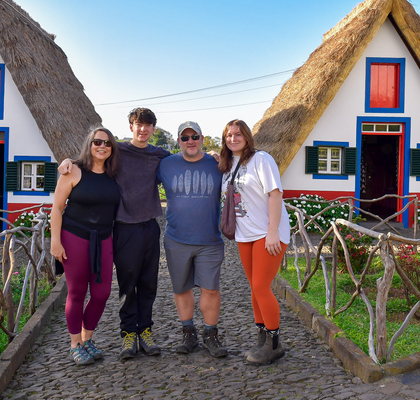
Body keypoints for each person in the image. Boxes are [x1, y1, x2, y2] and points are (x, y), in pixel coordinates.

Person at [59, 108, 169, 360]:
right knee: (127, 284)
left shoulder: (160, 154)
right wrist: (68, 161)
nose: (143, 129)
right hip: (123, 227)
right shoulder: (117, 150)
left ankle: (146, 332)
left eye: (148, 125)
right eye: (138, 124)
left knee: (149, 283)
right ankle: (128, 333)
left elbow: (185, 157)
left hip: (150, 226)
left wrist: (211, 154)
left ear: (154, 129)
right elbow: (91, 158)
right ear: (131, 126)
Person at [218, 119, 291, 365]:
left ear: (247, 137)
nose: (233, 138)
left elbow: (275, 194)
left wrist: (273, 231)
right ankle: (262, 336)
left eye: (238, 134)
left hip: (267, 233)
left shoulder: (262, 159)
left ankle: (274, 343)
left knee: (261, 286)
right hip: (245, 234)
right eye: (229, 135)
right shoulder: (228, 164)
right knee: (254, 287)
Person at [50, 127, 121, 366]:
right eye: (97, 142)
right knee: (77, 292)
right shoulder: (72, 171)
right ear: (89, 144)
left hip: (104, 239)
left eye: (107, 143)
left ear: (112, 149)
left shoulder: (114, 174)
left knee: (102, 294)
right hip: (75, 237)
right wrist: (55, 242)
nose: (102, 146)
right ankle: (75, 344)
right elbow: (57, 208)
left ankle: (87, 338)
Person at [157, 121, 227, 357]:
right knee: (181, 288)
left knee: (211, 289)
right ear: (178, 141)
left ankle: (211, 334)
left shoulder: (218, 164)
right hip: (176, 238)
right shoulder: (165, 164)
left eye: (194, 137)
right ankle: (188, 333)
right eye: (185, 138)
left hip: (210, 239)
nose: (190, 141)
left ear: (202, 138)